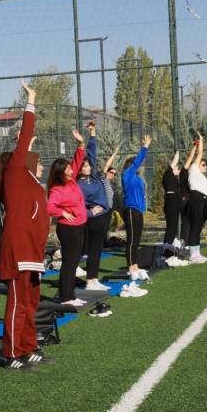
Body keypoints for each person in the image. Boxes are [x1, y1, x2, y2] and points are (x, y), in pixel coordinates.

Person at [0, 80, 52, 370]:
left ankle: (28, 347)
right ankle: (12, 353)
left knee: (31, 303)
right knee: (17, 303)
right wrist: (31, 101)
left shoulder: (32, 181)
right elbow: (25, 137)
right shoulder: (17, 172)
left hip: (33, 251)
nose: (39, 162)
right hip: (19, 249)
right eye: (33, 157)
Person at [46, 129, 88, 307]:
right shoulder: (57, 189)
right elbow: (49, 207)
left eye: (71, 168)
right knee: (69, 263)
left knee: (74, 262)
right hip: (68, 229)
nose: (72, 170)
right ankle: (65, 297)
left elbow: (78, 160)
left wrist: (80, 144)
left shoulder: (70, 180)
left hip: (79, 226)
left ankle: (71, 295)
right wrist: (63, 213)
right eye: (68, 170)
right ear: (60, 173)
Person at [78, 122, 118, 291]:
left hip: (103, 217)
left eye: (88, 165)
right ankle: (90, 281)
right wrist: (89, 212)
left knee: (97, 250)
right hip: (92, 219)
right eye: (84, 166)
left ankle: (93, 279)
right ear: (79, 168)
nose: (88, 167)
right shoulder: (77, 184)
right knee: (92, 250)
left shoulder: (94, 177)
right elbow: (75, 205)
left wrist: (93, 133)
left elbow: (92, 152)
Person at [120, 135, 152, 284]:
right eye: (135, 164)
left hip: (138, 211)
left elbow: (142, 193)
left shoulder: (138, 178)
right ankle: (131, 269)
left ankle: (136, 267)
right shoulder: (127, 175)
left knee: (137, 240)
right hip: (131, 210)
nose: (138, 166)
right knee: (132, 241)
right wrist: (145, 148)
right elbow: (138, 161)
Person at [183, 134, 207, 263]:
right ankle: (192, 255)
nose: (205, 166)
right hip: (196, 199)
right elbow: (200, 153)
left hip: (204, 200)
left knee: (199, 227)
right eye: (203, 164)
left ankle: (197, 253)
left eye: (206, 165)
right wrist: (201, 140)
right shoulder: (193, 169)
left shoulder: (201, 175)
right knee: (195, 226)